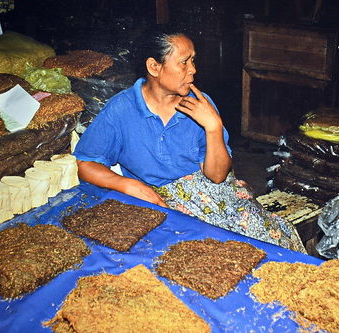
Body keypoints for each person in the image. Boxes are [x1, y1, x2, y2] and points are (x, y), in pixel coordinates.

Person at [73, 29, 306, 253]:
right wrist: (128, 185)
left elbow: (217, 176)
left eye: (193, 61)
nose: (192, 70)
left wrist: (213, 127)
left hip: (214, 196)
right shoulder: (121, 109)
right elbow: (86, 163)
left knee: (271, 243)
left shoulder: (200, 105)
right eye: (184, 62)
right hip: (160, 202)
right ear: (154, 66)